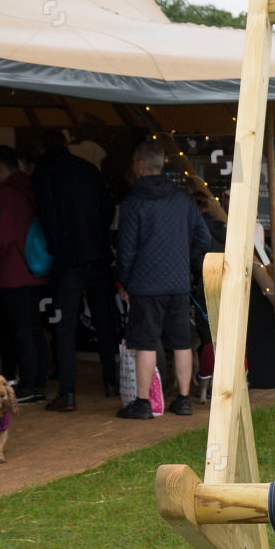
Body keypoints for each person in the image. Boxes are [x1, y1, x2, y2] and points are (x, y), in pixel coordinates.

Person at [114, 139, 210, 419]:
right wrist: (186, 263)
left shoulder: (133, 202)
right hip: (178, 283)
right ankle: (182, 399)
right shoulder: (183, 200)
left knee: (144, 342)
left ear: (141, 166)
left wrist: (124, 282)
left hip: (145, 286)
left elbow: (126, 248)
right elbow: (203, 238)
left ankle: (143, 403)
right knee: (181, 342)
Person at [33, 130, 119, 411]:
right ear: (67, 143)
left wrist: (58, 245)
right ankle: (111, 382)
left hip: (67, 261)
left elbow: (46, 217)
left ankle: (67, 393)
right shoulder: (88, 169)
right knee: (105, 320)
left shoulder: (44, 174)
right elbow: (107, 208)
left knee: (64, 325)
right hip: (97, 254)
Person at [0, 145, 49, 404]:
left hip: (15, 271)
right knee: (35, 330)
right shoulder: (31, 187)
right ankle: (37, 382)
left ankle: (30, 385)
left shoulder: (7, 193)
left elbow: (3, 237)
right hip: (36, 268)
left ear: (1, 165)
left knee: (21, 332)